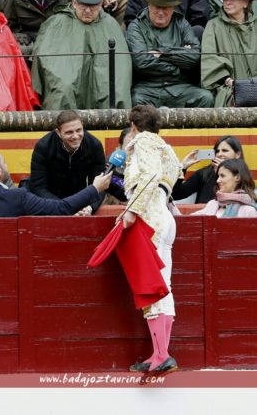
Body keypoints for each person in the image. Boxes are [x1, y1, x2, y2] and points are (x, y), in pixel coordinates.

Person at [119, 105, 183, 375]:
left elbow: (149, 176)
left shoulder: (142, 141)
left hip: (150, 218)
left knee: (151, 288)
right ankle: (160, 354)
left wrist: (132, 209)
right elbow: (173, 176)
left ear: (133, 126)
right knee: (163, 286)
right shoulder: (165, 146)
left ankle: (161, 355)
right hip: (166, 218)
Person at [31, 0, 132, 110]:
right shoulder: (57, 23)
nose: (88, 11)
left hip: (103, 77)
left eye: (93, 6)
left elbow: (122, 66)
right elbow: (45, 59)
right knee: (64, 89)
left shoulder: (110, 24)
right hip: (66, 76)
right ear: (74, 3)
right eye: (83, 5)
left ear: (100, 5)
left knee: (115, 91)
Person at [0, 148, 112, 218]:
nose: (6, 166)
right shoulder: (17, 197)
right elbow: (62, 208)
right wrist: (94, 188)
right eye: (4, 163)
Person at [126, 0, 214, 108]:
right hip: (148, 87)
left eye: (165, 7)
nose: (161, 12)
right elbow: (141, 62)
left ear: (173, 8)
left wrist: (161, 53)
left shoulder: (181, 23)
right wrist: (177, 66)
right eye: (157, 7)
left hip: (179, 85)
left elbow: (194, 56)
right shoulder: (136, 26)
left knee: (206, 98)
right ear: (149, 6)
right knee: (136, 100)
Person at [29, 110, 106, 215]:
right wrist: (63, 208)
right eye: (69, 132)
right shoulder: (43, 147)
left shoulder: (94, 145)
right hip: (51, 204)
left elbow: (99, 184)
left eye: (79, 130)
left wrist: (89, 208)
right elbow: (39, 187)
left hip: (80, 203)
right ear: (58, 133)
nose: (75, 136)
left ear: (83, 127)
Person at [201, 0, 257, 107]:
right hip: (229, 89)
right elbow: (209, 59)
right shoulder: (213, 25)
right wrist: (229, 81)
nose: (228, 2)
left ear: (245, 2)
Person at [172, 135, 244, 203]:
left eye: (224, 150)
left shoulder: (242, 175)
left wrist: (220, 172)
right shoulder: (203, 174)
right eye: (217, 151)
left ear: (237, 154)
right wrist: (182, 168)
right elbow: (175, 195)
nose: (219, 154)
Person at [2, 0, 72, 55]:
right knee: (22, 48)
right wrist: (15, 35)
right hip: (30, 41)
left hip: (58, 37)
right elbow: (4, 27)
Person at [192, 159, 257, 217]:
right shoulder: (213, 204)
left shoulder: (249, 211)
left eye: (222, 176)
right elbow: (188, 220)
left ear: (237, 177)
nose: (218, 180)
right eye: (218, 176)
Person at [125, 0, 210, 37]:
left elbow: (199, 19)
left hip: (181, 39)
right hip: (147, 39)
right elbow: (131, 19)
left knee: (198, 31)